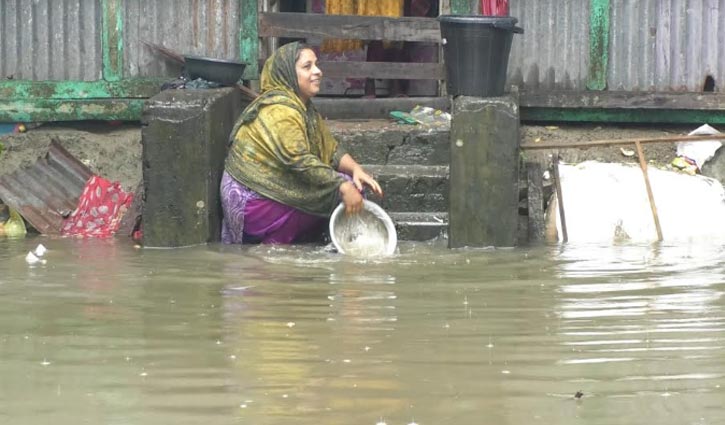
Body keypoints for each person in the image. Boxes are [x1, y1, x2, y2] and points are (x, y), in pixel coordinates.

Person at [221, 42, 383, 245]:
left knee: (352, 183)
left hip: (270, 188)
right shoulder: (280, 111)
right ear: (288, 73)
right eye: (307, 67)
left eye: (316, 65)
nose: (318, 71)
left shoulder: (304, 109)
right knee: (342, 191)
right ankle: (273, 245)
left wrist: (356, 169)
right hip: (251, 199)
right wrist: (342, 186)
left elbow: (331, 149)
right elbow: (299, 160)